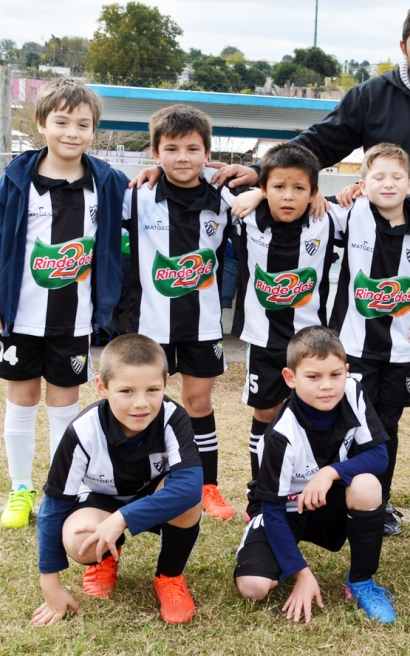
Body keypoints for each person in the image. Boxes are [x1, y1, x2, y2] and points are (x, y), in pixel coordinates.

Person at [132, 4, 410, 509]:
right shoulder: (373, 96)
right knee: (381, 377)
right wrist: (261, 173)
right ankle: (392, 476)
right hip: (377, 250)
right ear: (403, 46)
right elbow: (319, 141)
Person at [0, 77, 126, 529]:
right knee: (21, 402)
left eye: (83, 124)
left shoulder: (108, 182)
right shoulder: (16, 180)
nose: (72, 132)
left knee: (65, 409)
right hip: (20, 317)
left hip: (73, 320)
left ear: (94, 130)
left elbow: (147, 198)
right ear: (42, 124)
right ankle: (20, 489)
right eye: (61, 122)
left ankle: (63, 490)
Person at [30, 334, 204, 626]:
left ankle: (169, 576)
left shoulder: (173, 417)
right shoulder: (82, 431)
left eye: (152, 389)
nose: (141, 403)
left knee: (188, 503)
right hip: (101, 500)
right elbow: (54, 507)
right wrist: (50, 585)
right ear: (102, 387)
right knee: (79, 540)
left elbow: (188, 487)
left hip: (153, 497)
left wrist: (123, 517)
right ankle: (105, 557)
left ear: (166, 383)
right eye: (126, 391)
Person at [234, 326, 396, 624]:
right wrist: (302, 573)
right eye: (313, 376)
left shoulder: (353, 393)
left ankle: (361, 582)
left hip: (327, 502)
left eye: (335, 374)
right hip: (285, 510)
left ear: (347, 371)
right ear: (290, 378)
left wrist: (330, 472)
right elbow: (271, 510)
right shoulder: (281, 434)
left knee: (368, 485)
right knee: (254, 586)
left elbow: (379, 457)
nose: (327, 385)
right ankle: (277, 559)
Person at [123, 104, 238, 521]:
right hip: (149, 324)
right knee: (145, 404)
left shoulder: (224, 197)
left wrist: (244, 176)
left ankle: (208, 484)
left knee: (197, 401)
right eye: (171, 149)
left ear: (208, 153)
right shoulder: (137, 195)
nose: (183, 157)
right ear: (155, 152)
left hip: (202, 324)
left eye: (193, 148)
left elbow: (275, 186)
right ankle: (144, 481)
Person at [328, 143, 410, 535]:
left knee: (386, 428)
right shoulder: (349, 212)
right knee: (347, 423)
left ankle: (381, 500)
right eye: (378, 177)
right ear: (362, 184)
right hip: (352, 348)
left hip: (399, 351)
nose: (388, 184)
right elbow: (303, 199)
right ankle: (338, 497)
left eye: (397, 177)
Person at [227, 143, 341, 513]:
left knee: (310, 414)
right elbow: (198, 180)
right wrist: (255, 192)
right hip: (263, 340)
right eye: (278, 187)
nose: (288, 196)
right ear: (264, 188)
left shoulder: (328, 220)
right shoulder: (245, 215)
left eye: (299, 188)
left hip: (310, 345)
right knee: (265, 415)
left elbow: (377, 196)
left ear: (313, 193)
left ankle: (306, 491)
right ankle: (260, 493)